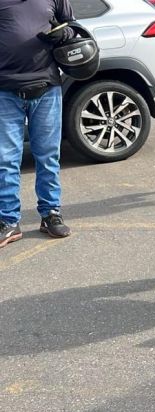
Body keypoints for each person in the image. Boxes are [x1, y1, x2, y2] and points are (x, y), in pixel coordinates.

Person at [0, 0, 76, 249]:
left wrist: (64, 33)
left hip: (46, 87)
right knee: (6, 159)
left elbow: (73, 27)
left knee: (48, 156)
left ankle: (51, 213)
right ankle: (8, 220)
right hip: (4, 89)